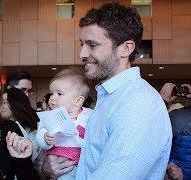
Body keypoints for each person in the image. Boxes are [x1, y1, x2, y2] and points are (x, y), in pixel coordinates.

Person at [42, 3, 172, 179]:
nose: (82, 54)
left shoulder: (139, 103)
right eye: (82, 44)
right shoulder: (111, 97)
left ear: (125, 48)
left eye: (92, 45)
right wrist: (52, 169)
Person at [37, 68, 92, 180]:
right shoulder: (50, 115)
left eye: (59, 94)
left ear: (77, 101)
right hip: (59, 159)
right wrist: (45, 138)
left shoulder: (89, 115)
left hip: (83, 162)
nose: (52, 98)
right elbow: (40, 135)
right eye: (51, 93)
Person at [0, 87, 43, 175]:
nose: (0, 106)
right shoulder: (0, 129)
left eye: (4, 102)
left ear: (16, 104)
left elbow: (39, 164)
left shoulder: (34, 131)